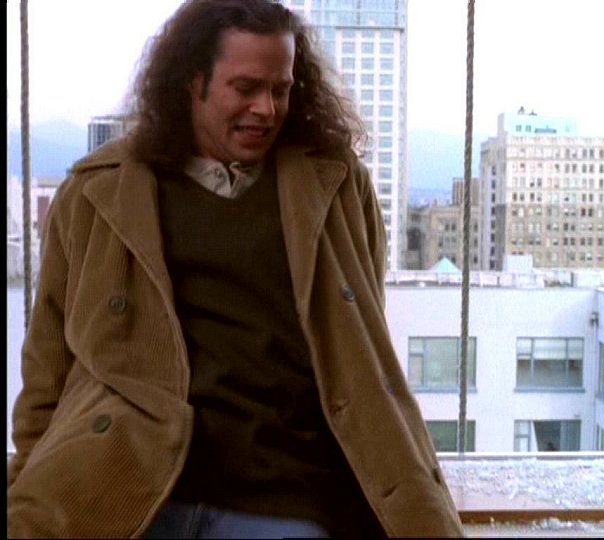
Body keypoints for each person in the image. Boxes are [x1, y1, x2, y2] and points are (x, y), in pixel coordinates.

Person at [7, 0, 464, 537]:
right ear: (192, 82)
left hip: (282, 497)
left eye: (281, 90)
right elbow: (48, 370)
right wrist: (31, 483)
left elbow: (358, 344)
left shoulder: (335, 188)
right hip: (122, 482)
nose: (266, 109)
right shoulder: (98, 193)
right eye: (245, 88)